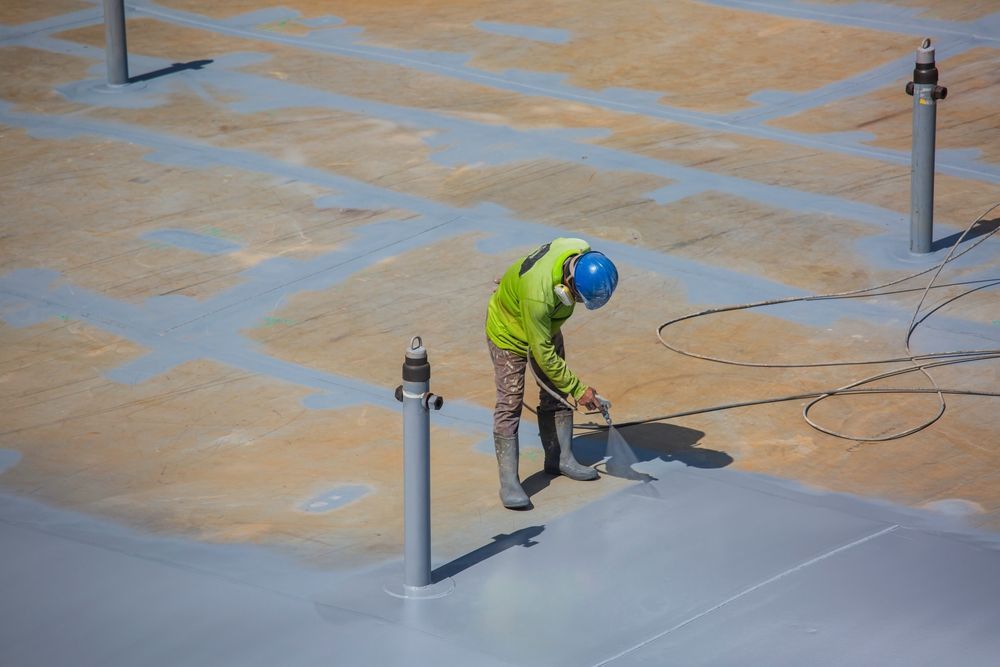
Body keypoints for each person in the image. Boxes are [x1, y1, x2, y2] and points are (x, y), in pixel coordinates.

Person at [485, 238, 619, 509]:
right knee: (510, 403)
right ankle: (509, 482)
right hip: (508, 334)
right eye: (579, 298)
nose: (578, 303)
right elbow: (543, 355)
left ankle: (561, 459)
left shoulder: (577, 248)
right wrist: (580, 389)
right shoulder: (539, 296)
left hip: (545, 325)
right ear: (569, 282)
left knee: (556, 393)